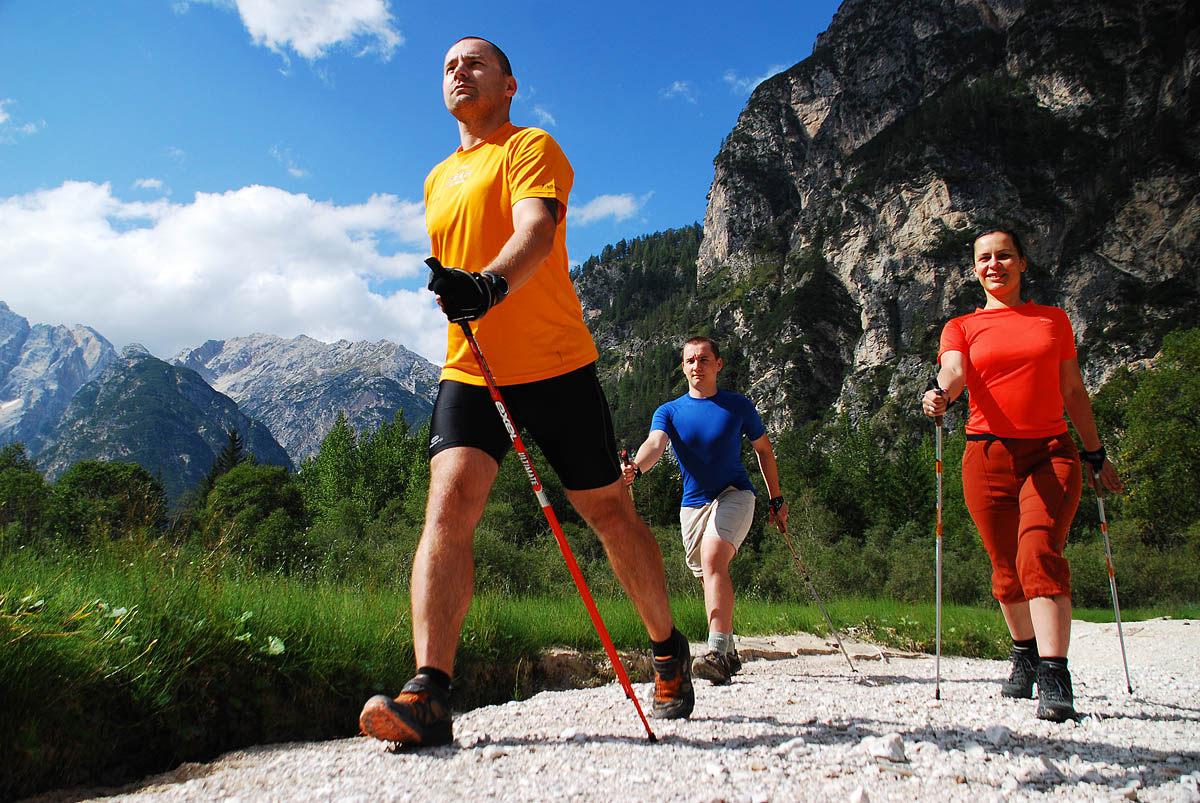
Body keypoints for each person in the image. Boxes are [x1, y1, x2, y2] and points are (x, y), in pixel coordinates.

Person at [358, 37, 693, 748]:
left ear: (509, 84)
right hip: (471, 367)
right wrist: (460, 292)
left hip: (555, 362)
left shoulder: (530, 145)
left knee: (607, 511)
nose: (458, 71)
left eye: (474, 62)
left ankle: (667, 648)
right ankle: (429, 692)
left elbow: (536, 231)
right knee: (448, 503)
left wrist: (486, 286)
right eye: (448, 65)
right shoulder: (435, 178)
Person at [921, 228, 1123, 722]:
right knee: (1005, 567)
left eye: (1004, 256)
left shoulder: (1053, 321)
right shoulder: (962, 326)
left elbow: (1073, 390)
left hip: (1051, 453)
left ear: (1023, 263)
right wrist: (940, 392)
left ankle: (1055, 672)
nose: (995, 264)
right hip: (985, 455)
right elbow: (954, 371)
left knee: (1039, 552)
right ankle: (1024, 653)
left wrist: (1094, 453)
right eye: (985, 258)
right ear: (974, 270)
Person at [623, 336, 788, 685]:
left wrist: (776, 499)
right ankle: (728, 652)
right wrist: (635, 468)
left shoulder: (738, 406)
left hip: (736, 494)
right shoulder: (669, 411)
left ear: (718, 364)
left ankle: (714, 653)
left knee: (713, 560)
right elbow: (655, 444)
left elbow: (764, 450)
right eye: (690, 361)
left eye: (704, 359)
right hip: (693, 505)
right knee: (707, 575)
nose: (697, 366)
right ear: (683, 367)